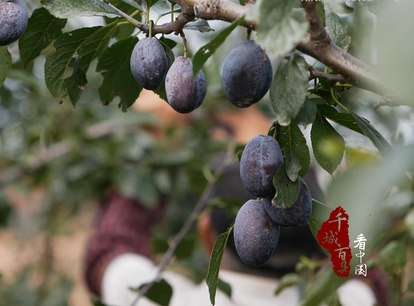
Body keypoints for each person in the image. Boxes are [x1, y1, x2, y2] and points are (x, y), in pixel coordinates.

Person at [84, 90, 388, 306]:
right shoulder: (347, 301)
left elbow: (109, 250)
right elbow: (365, 268)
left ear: (207, 237)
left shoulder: (164, 300)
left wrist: (155, 136)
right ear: (323, 244)